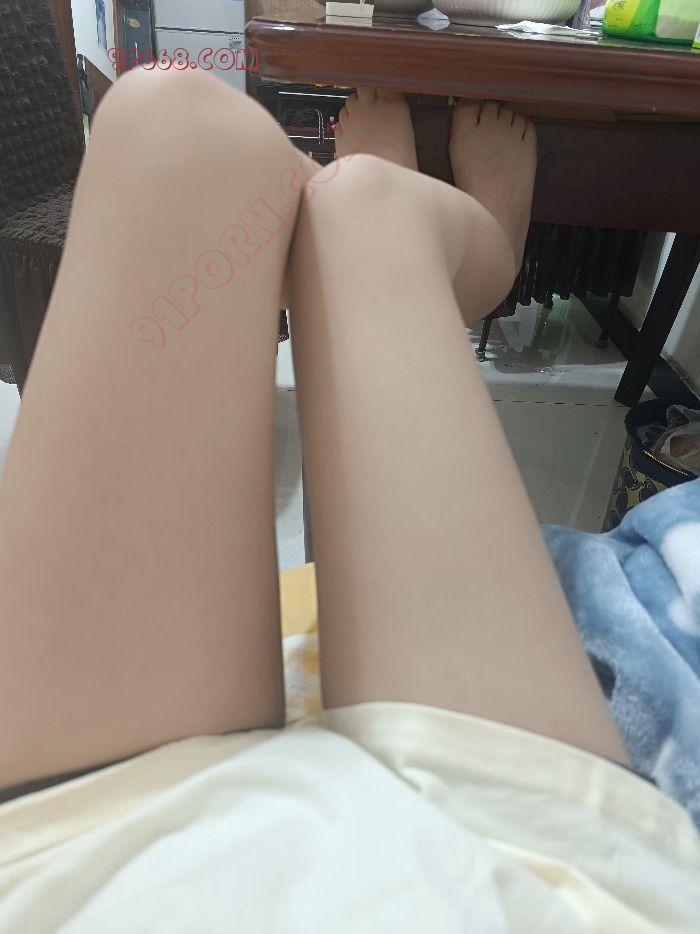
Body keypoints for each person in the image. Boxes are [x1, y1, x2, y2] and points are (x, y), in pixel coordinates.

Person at [0, 70, 697, 930]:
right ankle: (456, 257)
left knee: (169, 120)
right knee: (361, 201)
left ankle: (372, 244)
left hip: (76, 862)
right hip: (511, 859)